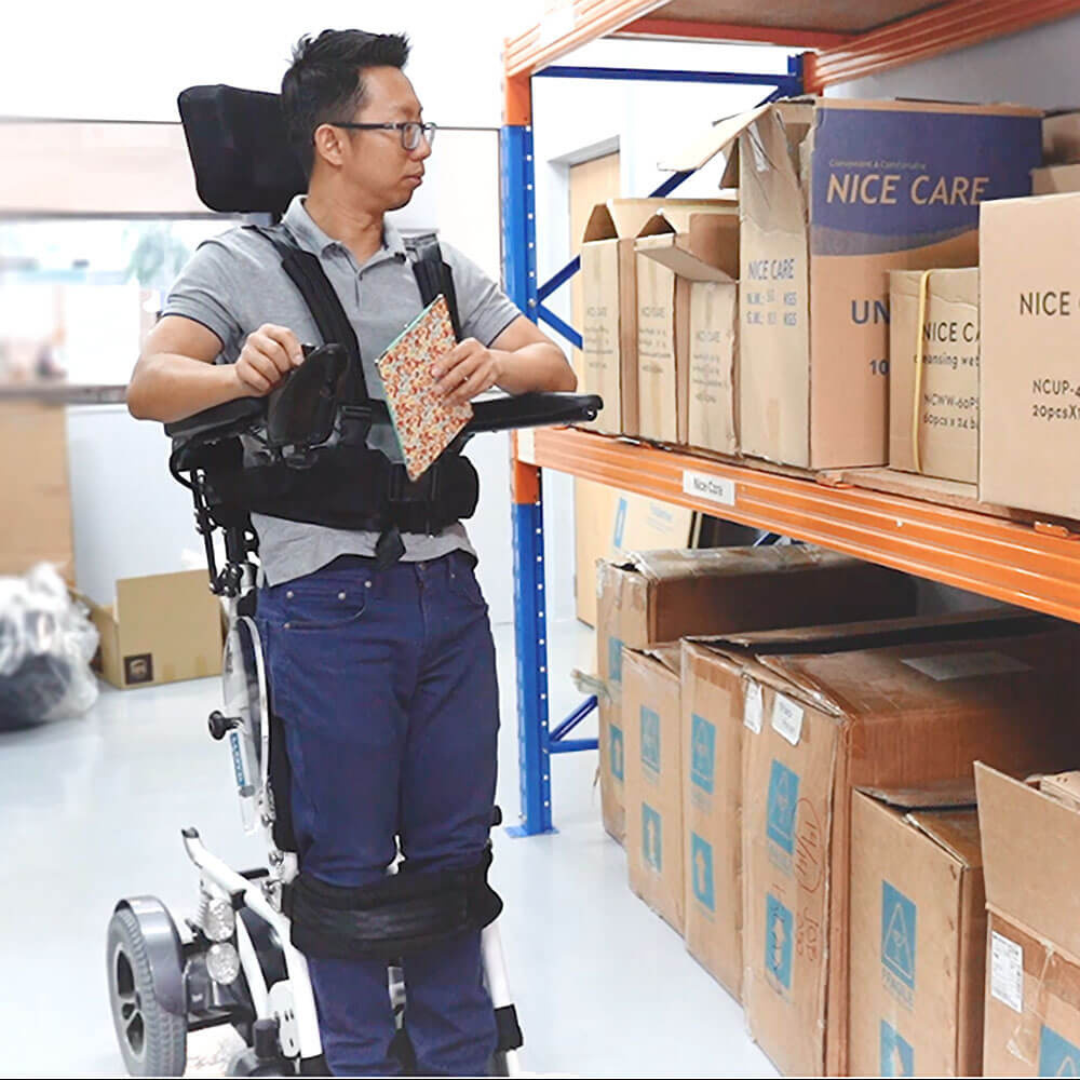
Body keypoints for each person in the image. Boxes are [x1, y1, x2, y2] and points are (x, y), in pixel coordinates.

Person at [126, 28, 574, 1077]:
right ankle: (360, 1062)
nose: (421, 144)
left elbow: (555, 360)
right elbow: (149, 384)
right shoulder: (239, 265)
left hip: (445, 589)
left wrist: (490, 359)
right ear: (333, 142)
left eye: (424, 126)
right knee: (348, 868)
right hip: (323, 600)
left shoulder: (432, 264)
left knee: (458, 854)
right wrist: (240, 375)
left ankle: (466, 1060)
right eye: (401, 126)